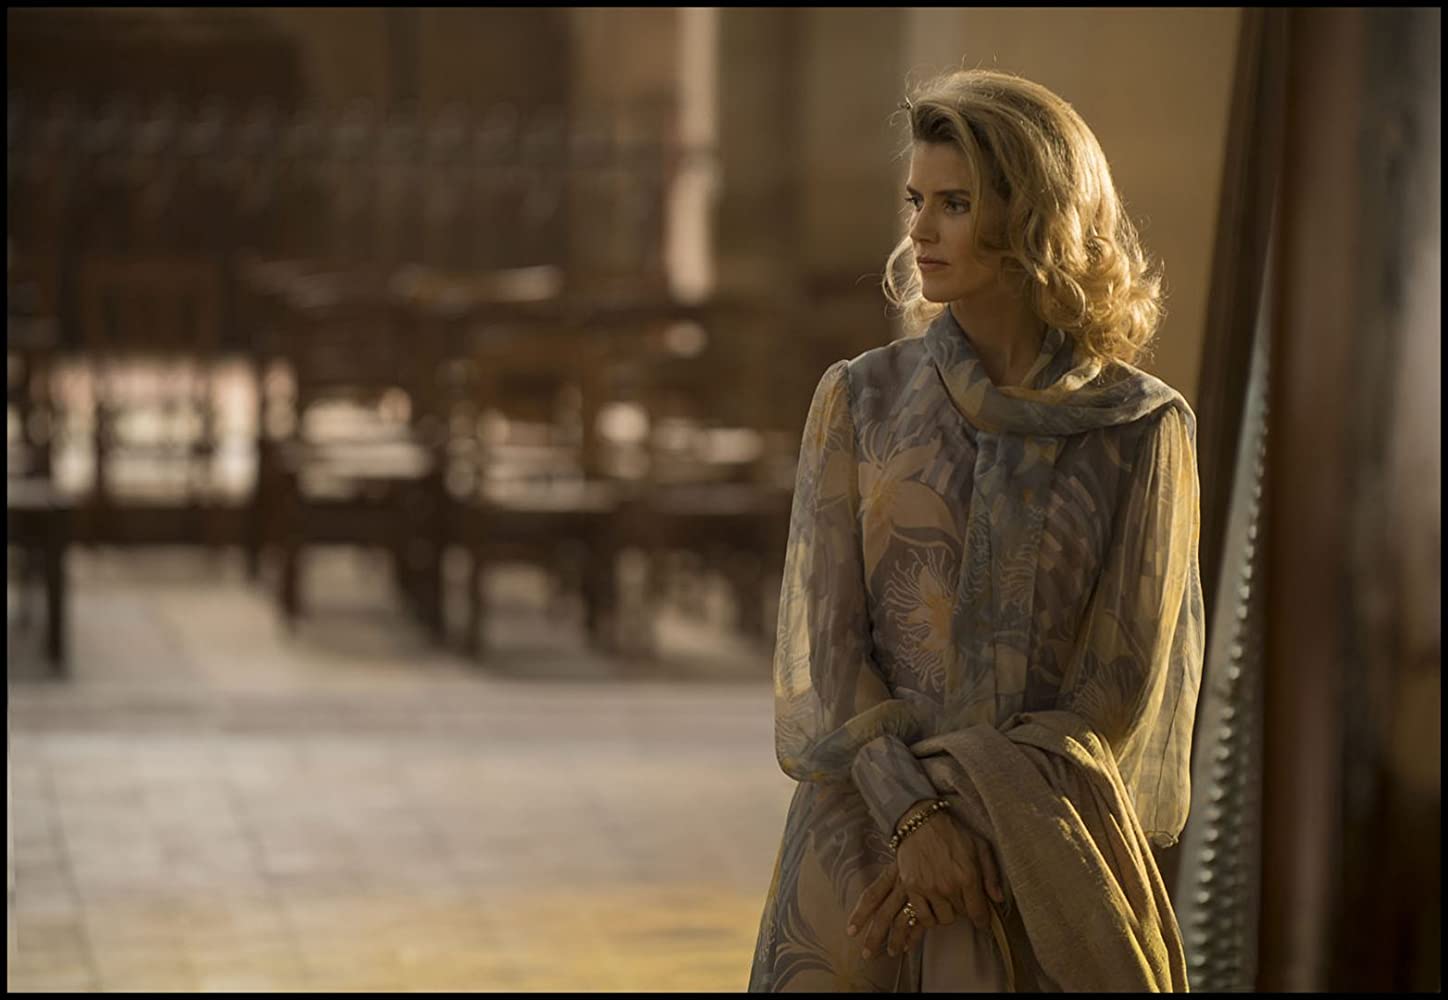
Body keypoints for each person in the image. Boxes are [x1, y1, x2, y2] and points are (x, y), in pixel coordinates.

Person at [748, 67, 1203, 992]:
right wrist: (915, 822)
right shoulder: (861, 400)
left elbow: (1113, 692)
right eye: (916, 200)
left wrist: (968, 831)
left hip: (1035, 860)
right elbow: (834, 651)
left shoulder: (1140, 429)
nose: (920, 229)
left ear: (1037, 218)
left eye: (955, 204)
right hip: (865, 854)